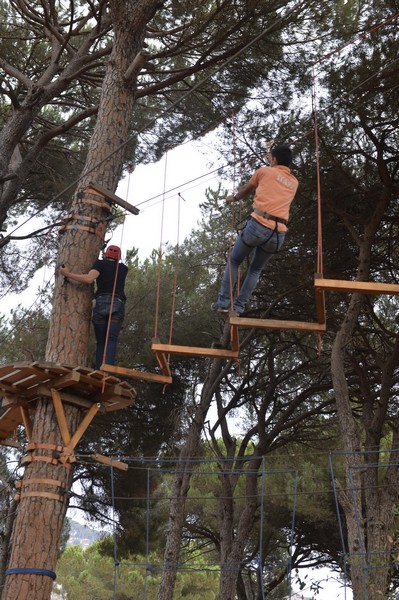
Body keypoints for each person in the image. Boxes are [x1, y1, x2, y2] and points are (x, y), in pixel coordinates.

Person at [212, 144, 298, 315]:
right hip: (278, 233)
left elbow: (246, 189)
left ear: (274, 159)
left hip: (258, 224)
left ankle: (223, 303)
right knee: (256, 269)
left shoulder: (265, 171)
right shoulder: (294, 182)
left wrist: (233, 198)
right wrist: (272, 156)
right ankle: (239, 306)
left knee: (235, 260)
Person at [60, 245, 128, 369]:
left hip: (101, 303)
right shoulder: (123, 268)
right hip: (117, 303)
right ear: (119, 257)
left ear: (106, 254)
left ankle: (98, 369)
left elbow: (89, 279)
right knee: (111, 340)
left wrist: (67, 274)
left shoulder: (100, 264)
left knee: (101, 342)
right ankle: (107, 371)